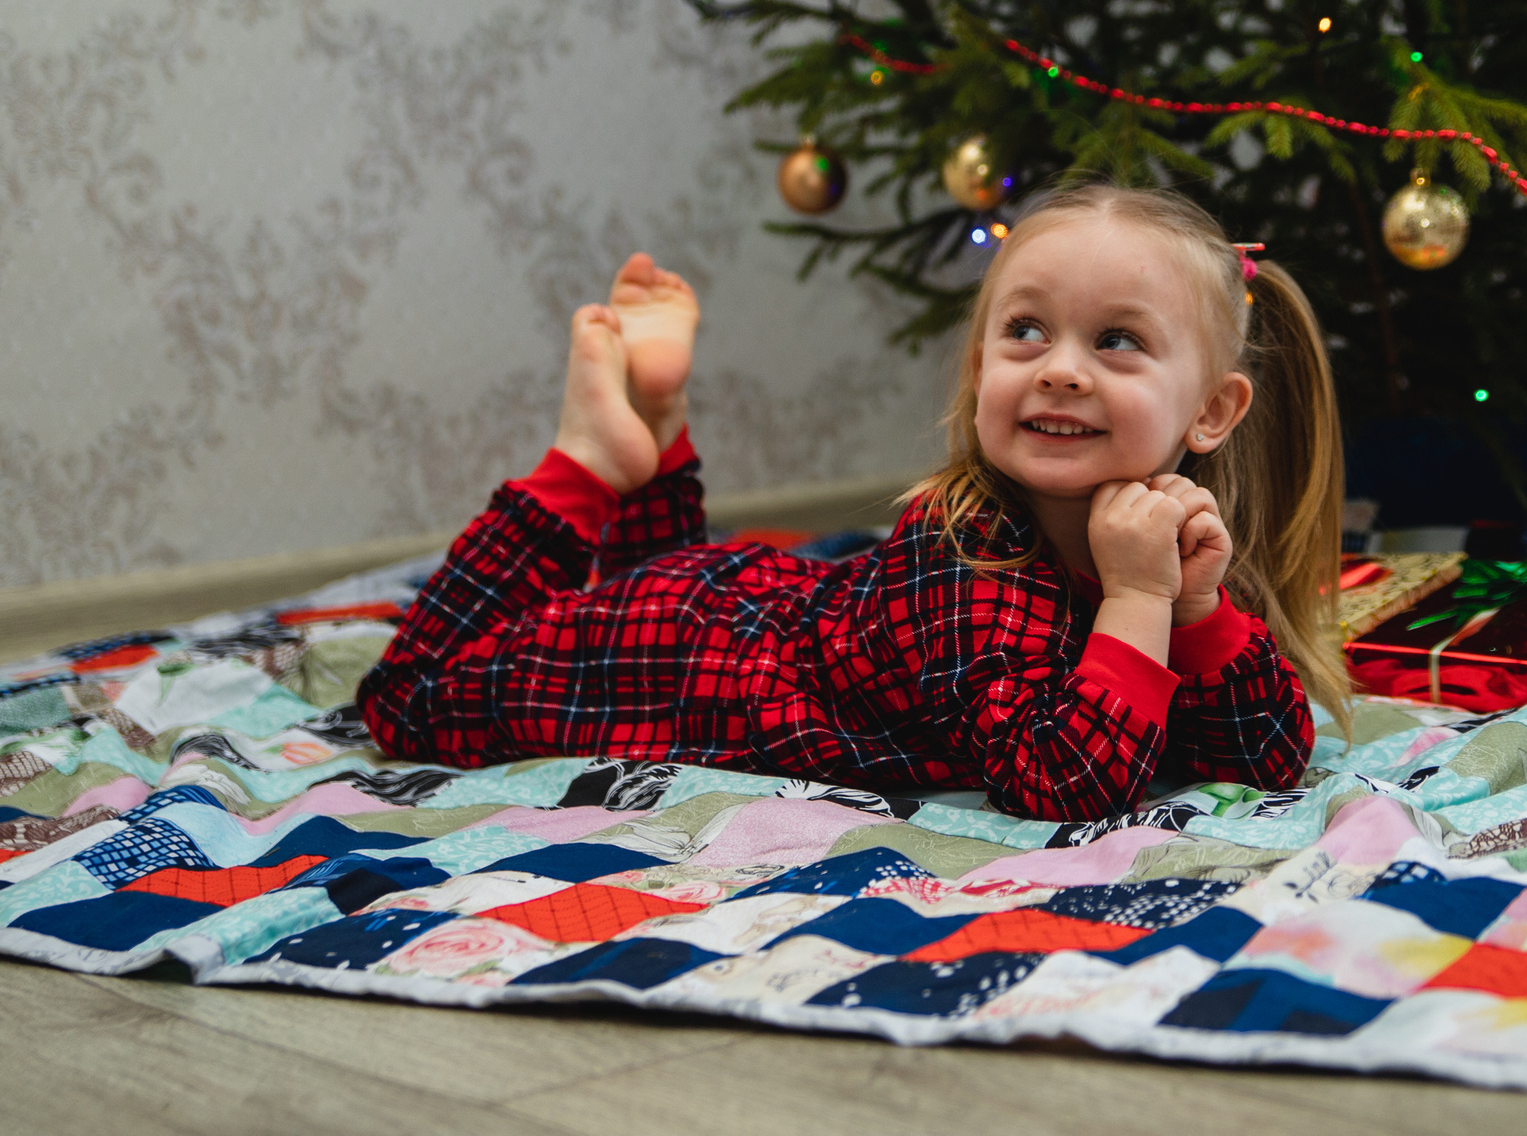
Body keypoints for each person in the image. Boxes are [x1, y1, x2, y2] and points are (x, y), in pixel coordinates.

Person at [356, 183, 1349, 821]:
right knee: (412, 697)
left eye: (1117, 341)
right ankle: (585, 462)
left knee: (628, 580)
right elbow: (1064, 783)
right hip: (689, 657)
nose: (1060, 369)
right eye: (1026, 332)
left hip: (744, 610)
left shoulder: (1155, 537)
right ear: (980, 368)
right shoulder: (967, 553)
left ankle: (654, 431)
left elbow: (1264, 759)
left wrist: (1198, 612)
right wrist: (1137, 600)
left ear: (1211, 411)